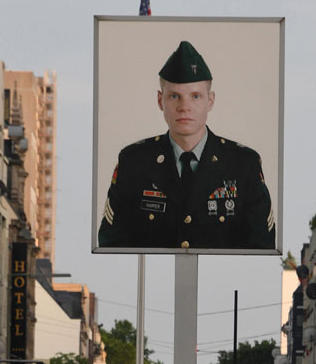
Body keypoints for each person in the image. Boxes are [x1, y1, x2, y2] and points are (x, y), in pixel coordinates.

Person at [97, 40, 276, 251]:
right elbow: (112, 244)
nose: (184, 107)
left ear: (210, 101)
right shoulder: (134, 162)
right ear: (159, 100)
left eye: (195, 96)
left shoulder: (243, 165)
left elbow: (262, 246)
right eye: (174, 96)